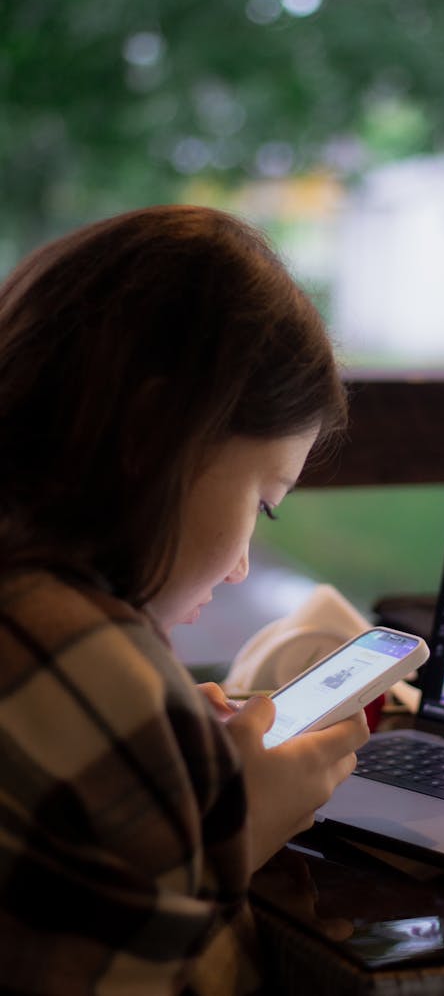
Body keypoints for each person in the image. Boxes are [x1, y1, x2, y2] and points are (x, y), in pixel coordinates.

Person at [0, 205, 369, 995]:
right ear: (152, 431)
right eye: (263, 502)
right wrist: (234, 834)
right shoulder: (86, 661)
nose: (242, 567)